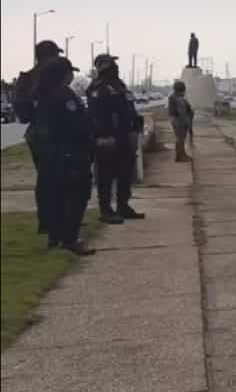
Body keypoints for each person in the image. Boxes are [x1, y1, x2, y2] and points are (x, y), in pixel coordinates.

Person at [35, 58, 96, 255]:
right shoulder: (62, 96)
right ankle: (70, 239)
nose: (71, 76)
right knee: (77, 196)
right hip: (70, 154)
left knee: (56, 197)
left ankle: (56, 236)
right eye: (69, 72)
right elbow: (74, 124)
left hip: (54, 155)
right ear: (63, 74)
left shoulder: (45, 95)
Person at [12, 40, 66, 237]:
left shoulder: (28, 78)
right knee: (53, 178)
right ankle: (51, 222)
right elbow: (24, 111)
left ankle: (52, 221)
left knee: (48, 178)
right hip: (47, 134)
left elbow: (22, 112)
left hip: (41, 133)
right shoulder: (38, 78)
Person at [87, 54, 145, 224]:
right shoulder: (98, 87)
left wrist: (135, 129)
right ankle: (106, 210)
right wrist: (103, 136)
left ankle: (123, 206)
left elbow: (128, 109)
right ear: (104, 67)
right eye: (112, 64)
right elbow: (96, 115)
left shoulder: (119, 85)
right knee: (105, 175)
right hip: (108, 138)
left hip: (124, 137)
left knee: (124, 173)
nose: (116, 67)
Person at [168, 80, 194, 162]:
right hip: (179, 121)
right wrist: (188, 124)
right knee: (180, 139)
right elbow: (182, 114)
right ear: (182, 89)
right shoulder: (178, 98)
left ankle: (181, 155)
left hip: (176, 120)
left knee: (180, 139)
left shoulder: (175, 97)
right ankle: (180, 156)